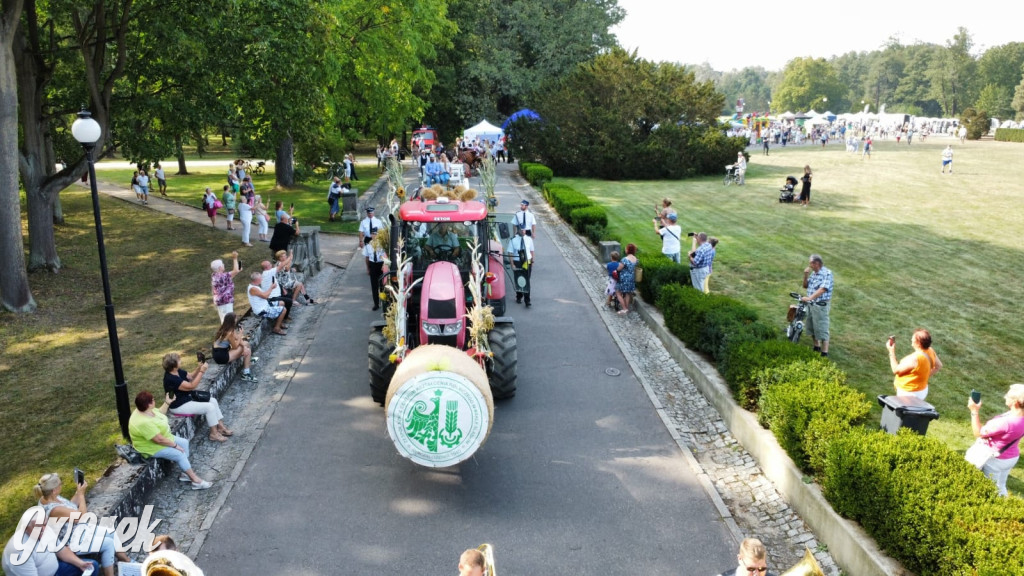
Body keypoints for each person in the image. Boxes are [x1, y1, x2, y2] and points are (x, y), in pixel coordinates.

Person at [34, 474, 131, 576]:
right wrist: (81, 495)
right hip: (71, 541)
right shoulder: (54, 509)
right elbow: (83, 518)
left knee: (110, 532)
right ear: (54, 490)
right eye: (60, 484)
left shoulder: (49, 497)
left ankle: (126, 562)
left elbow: (69, 507)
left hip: (78, 530)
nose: (61, 485)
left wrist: (78, 491)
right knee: (108, 544)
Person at [129, 391, 212, 489]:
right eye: (153, 400)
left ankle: (185, 473)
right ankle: (196, 481)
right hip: (151, 447)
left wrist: (167, 402)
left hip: (164, 437)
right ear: (149, 404)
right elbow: (159, 440)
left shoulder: (146, 410)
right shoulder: (142, 422)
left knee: (184, 443)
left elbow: (159, 413)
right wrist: (175, 446)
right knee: (179, 454)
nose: (154, 400)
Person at [2, 509, 100, 576]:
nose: (43, 529)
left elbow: (61, 550)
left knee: (92, 567)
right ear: (25, 528)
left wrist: (80, 564)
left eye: (44, 524)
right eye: (37, 526)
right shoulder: (19, 550)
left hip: (58, 570)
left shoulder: (45, 529)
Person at [162, 352, 235, 442]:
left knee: (213, 401)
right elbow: (192, 385)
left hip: (187, 398)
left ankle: (220, 427)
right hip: (178, 405)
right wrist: (202, 371)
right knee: (209, 407)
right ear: (174, 365)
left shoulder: (177, 371)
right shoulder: (171, 379)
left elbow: (190, 376)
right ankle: (214, 434)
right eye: (178, 360)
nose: (180, 361)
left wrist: (199, 367)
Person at [968, 384, 1024, 497]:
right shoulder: (1019, 417)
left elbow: (978, 433)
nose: (1005, 397)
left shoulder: (1006, 422)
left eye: (1008, 396)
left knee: (990, 488)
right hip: (1010, 457)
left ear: (1016, 402)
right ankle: (1006, 506)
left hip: (995, 460)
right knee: (1000, 486)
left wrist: (974, 411)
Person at [887, 329, 942, 400]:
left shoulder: (914, 359)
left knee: (903, 410)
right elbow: (939, 366)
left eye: (913, 338)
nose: (911, 339)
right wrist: (924, 377)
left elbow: (895, 370)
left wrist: (891, 351)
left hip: (909, 393)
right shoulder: (930, 350)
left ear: (918, 343)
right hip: (922, 391)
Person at [801, 254, 833, 357]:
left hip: (820, 304)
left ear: (817, 263)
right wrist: (805, 275)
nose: (810, 266)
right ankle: (816, 346)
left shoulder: (827, 273)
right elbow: (805, 286)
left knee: (822, 326)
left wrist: (810, 298)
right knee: (812, 325)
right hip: (811, 304)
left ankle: (824, 352)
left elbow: (823, 289)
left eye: (811, 263)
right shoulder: (814, 274)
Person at [212, 314, 258, 381]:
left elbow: (238, 339)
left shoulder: (227, 328)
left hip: (218, 352)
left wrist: (243, 344)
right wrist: (241, 334)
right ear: (232, 321)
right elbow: (235, 346)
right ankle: (246, 374)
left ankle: (247, 360)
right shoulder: (229, 332)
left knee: (246, 344)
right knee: (246, 349)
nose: (237, 320)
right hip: (221, 356)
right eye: (235, 319)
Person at [247, 271, 288, 335]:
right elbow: (265, 296)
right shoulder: (253, 289)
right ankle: (276, 328)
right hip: (262, 310)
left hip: (265, 305)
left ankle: (279, 323)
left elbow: (264, 295)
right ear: (257, 280)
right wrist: (271, 287)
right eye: (261, 278)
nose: (262, 279)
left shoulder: (255, 286)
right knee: (283, 309)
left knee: (281, 303)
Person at [507, 227, 534, 307]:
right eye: (521, 230)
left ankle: (527, 300)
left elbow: (532, 251)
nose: (523, 231)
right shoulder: (513, 240)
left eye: (524, 230)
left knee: (527, 280)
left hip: (527, 261)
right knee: (519, 279)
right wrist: (512, 264)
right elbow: (510, 252)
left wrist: (532, 261)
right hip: (517, 261)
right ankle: (519, 296)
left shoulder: (529, 239)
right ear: (518, 230)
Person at [210, 253, 241, 322]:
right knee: (228, 321)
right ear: (220, 267)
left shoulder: (215, 275)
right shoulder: (222, 276)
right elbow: (235, 271)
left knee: (224, 319)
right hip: (225, 302)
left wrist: (236, 272)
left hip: (220, 301)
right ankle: (229, 332)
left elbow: (228, 278)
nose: (224, 265)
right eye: (223, 264)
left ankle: (227, 332)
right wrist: (235, 258)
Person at [363, 231, 387, 311]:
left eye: (376, 234)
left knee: (382, 285)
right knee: (374, 286)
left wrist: (385, 267)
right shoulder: (368, 245)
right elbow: (367, 258)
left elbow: (386, 256)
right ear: (371, 235)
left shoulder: (383, 244)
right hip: (373, 265)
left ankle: (384, 302)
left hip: (381, 265)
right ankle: (376, 303)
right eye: (373, 234)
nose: (374, 235)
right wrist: (368, 268)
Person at [615, 243, 638, 315]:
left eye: (626, 248)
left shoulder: (624, 259)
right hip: (631, 278)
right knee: (628, 293)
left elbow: (619, 268)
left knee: (618, 293)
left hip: (623, 278)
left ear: (627, 250)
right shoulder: (636, 259)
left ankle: (624, 308)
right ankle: (626, 308)